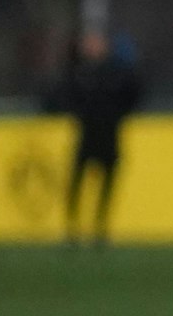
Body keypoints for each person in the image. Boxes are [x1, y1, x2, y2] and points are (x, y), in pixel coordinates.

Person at [45, 29, 142, 246]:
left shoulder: (117, 72)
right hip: (87, 135)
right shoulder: (79, 71)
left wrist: (118, 114)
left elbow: (134, 94)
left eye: (96, 43)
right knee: (76, 182)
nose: (92, 47)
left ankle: (100, 228)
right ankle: (72, 229)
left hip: (109, 134)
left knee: (107, 183)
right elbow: (63, 95)